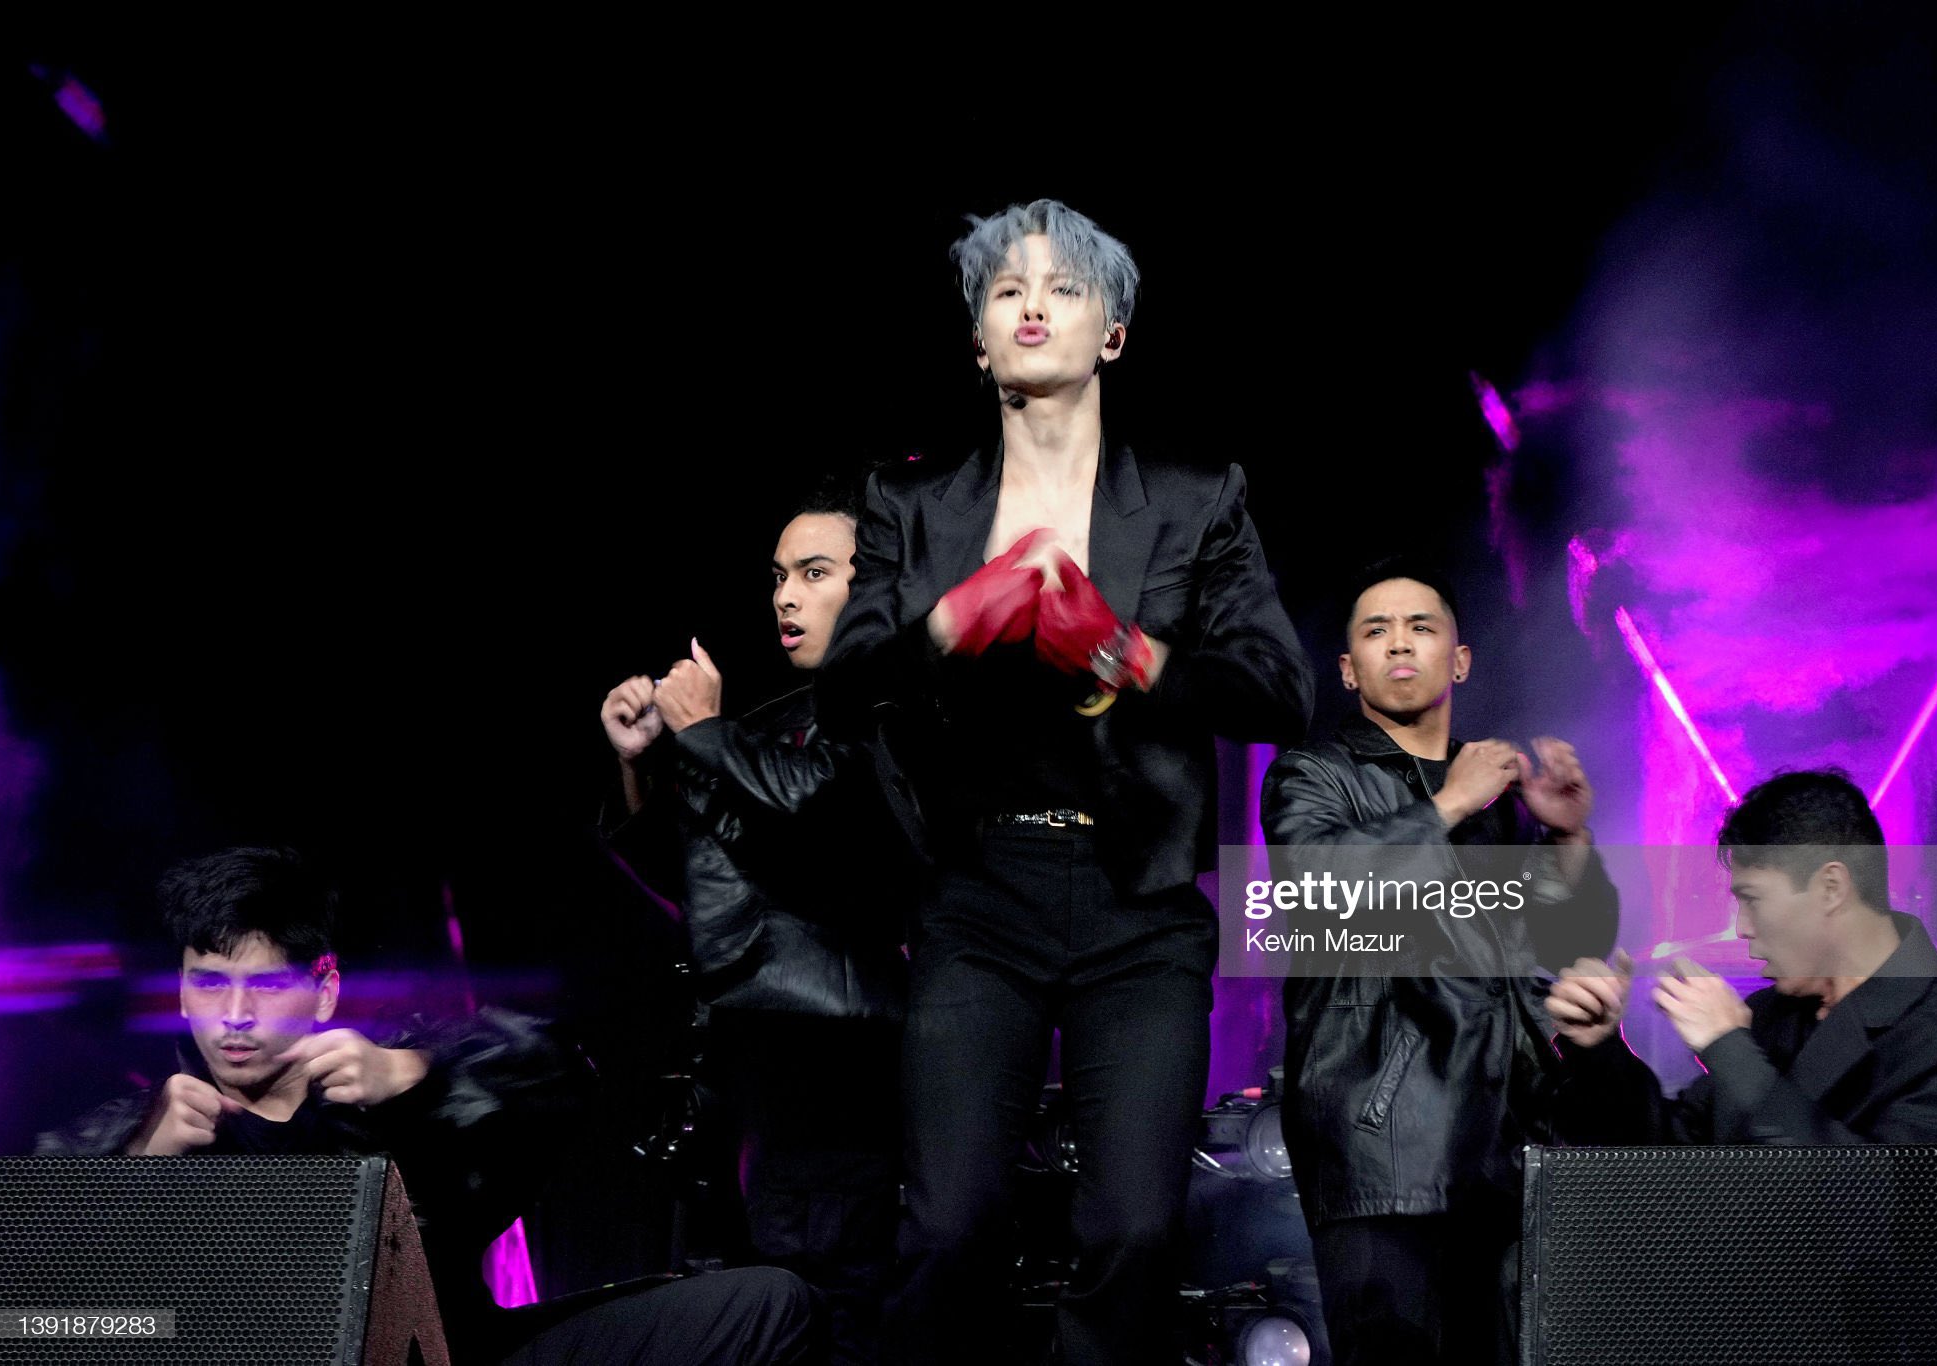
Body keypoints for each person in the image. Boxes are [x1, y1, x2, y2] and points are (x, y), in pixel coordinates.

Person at [818, 198, 1313, 1366]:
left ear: (1113, 333)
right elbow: (841, 692)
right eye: (1004, 290)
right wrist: (947, 621)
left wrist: (1126, 651)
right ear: (977, 341)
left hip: (1137, 906)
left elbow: (1279, 691)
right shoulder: (912, 506)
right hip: (976, 897)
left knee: (1138, 1226)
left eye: (1063, 287)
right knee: (948, 1223)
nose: (1032, 304)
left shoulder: (1197, 498)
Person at [38, 846, 821, 1366]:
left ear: (323, 988)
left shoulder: (383, 1083)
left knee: (764, 1304)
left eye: (266, 985)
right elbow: (34, 1321)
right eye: (209, 984)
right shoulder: (131, 1132)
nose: (234, 1015)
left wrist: (418, 1076)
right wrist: (138, 1178)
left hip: (463, 1355)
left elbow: (563, 1078)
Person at [1262, 556, 1617, 1366]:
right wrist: (1450, 803)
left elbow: (1566, 949)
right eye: (1376, 631)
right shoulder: (1314, 774)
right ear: (1349, 670)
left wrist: (1567, 836)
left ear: (1458, 658)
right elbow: (1319, 891)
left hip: (1501, 1143)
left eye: (1422, 628)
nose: (1400, 645)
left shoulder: (1502, 796)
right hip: (1378, 1140)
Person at [599, 480, 908, 1364]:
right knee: (745, 1299)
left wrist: (703, 735)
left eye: (814, 573)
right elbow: (698, 881)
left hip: (839, 1059)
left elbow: (827, 830)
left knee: (833, 1298)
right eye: (779, 575)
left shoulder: (902, 708)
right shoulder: (768, 724)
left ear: (875, 581)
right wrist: (644, 763)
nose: (784, 596)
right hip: (748, 1059)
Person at [1548, 768, 1937, 1145]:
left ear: (1831, 888)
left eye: (1753, 899)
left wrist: (1731, 1050)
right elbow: (1673, 1157)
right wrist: (1599, 1049)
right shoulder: (1771, 1014)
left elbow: (1878, 1219)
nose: (1743, 927)